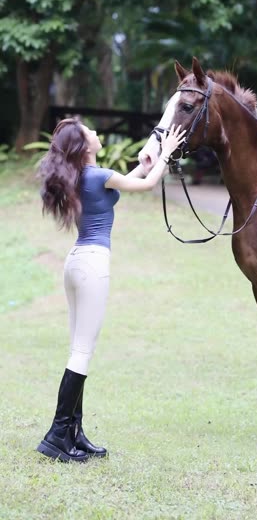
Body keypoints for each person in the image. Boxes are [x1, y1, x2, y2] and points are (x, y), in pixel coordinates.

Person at [36, 118, 185, 462]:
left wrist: (144, 163)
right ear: (84, 146)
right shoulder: (97, 176)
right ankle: (58, 435)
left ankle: (74, 432)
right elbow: (147, 185)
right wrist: (167, 152)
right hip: (92, 266)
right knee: (82, 353)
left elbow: (129, 181)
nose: (96, 133)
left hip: (76, 263)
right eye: (90, 131)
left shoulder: (83, 177)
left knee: (78, 349)